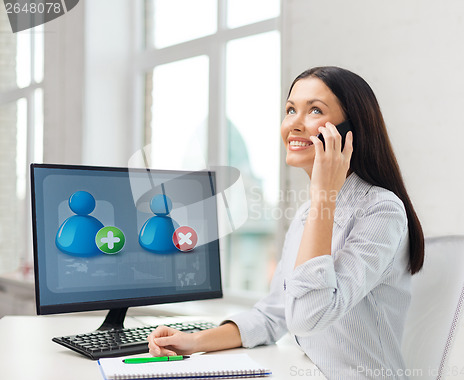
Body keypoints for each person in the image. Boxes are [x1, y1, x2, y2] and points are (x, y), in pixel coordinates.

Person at [147, 66, 425, 379]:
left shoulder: (381, 211)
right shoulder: (307, 214)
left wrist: (323, 197)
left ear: (350, 132)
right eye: (290, 109)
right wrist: (194, 341)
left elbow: (308, 317)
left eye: (315, 110)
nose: (293, 123)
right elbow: (274, 313)